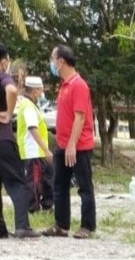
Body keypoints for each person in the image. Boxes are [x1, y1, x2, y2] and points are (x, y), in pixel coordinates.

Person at [42, 45, 96, 239]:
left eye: (52, 59)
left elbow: (80, 117)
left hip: (78, 146)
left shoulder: (78, 85)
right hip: (62, 144)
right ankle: (61, 224)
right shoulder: (64, 85)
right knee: (59, 185)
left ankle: (87, 226)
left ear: (61, 61)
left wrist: (72, 144)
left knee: (84, 186)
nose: (52, 63)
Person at [0, 48, 39, 238]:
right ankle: (22, 226)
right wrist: (8, 113)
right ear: (4, 62)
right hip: (3, 140)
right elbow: (12, 90)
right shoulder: (3, 77)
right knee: (18, 183)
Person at [16, 75, 51, 214]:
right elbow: (32, 128)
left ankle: (37, 207)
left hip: (34, 151)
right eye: (40, 90)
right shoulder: (29, 107)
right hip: (33, 151)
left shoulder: (28, 104)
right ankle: (33, 209)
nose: (41, 93)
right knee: (34, 182)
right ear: (35, 91)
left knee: (37, 180)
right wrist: (45, 149)